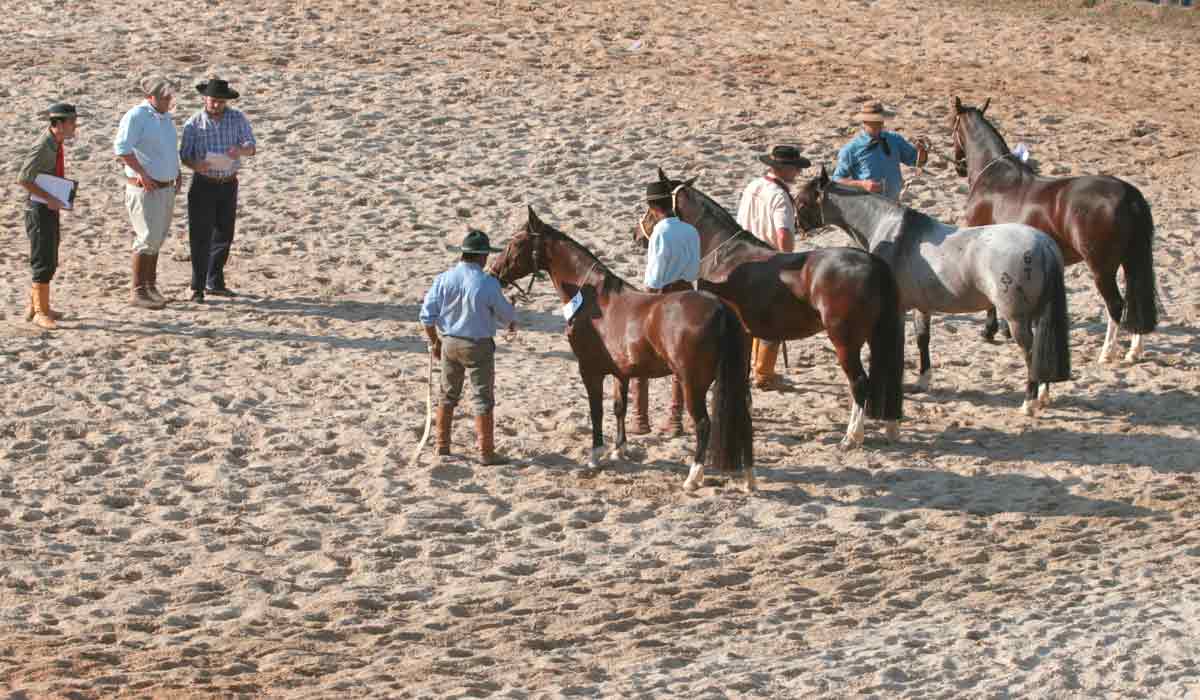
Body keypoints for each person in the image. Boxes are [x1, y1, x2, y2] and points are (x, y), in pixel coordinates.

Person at [420, 229, 517, 465]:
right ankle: (485, 452)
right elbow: (508, 319)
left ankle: (442, 445)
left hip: (449, 343)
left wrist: (435, 342)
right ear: (482, 257)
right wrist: (511, 307)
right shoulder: (488, 283)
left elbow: (426, 317)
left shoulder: (444, 278)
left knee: (447, 395)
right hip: (478, 346)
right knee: (482, 398)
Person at [735, 144, 811, 390]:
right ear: (785, 169)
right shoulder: (779, 196)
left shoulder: (752, 186)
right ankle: (764, 373)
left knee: (749, 319)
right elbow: (783, 235)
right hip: (767, 261)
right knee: (772, 320)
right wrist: (788, 260)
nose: (798, 174)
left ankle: (754, 368)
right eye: (795, 169)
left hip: (742, 259)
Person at [630, 180, 702, 436]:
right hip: (687, 292)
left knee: (637, 355)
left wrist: (646, 295)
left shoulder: (660, 231)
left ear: (652, 207)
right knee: (682, 363)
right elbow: (695, 270)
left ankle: (640, 418)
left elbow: (655, 275)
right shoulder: (691, 230)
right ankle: (675, 418)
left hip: (662, 295)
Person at [179, 77, 257, 303]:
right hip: (203, 183)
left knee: (225, 234)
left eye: (221, 102)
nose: (216, 105)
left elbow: (251, 147)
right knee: (200, 236)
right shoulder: (193, 123)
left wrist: (240, 151)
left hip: (228, 182)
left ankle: (215, 281)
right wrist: (196, 165)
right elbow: (184, 155)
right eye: (213, 101)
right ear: (205, 99)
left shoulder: (237, 118)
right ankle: (197, 286)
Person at [114, 77, 182, 310]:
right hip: (145, 188)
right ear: (150, 97)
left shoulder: (165, 118)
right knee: (146, 236)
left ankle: (150, 285)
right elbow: (122, 149)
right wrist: (141, 172)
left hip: (166, 186)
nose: (168, 100)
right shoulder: (136, 116)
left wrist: (176, 171)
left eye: (169, 97)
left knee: (157, 237)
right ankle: (138, 289)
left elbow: (168, 149)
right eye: (164, 97)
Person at [17, 103, 80, 330]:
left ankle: (37, 305)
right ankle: (40, 312)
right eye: (72, 122)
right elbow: (23, 178)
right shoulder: (44, 146)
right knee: (42, 258)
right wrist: (50, 198)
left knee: (49, 255)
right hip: (39, 208)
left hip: (48, 206)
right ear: (59, 124)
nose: (75, 126)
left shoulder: (56, 143)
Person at [832, 101, 928, 201]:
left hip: (895, 202)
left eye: (880, 120)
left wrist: (922, 150)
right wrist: (862, 184)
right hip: (869, 205)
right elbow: (836, 180)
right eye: (874, 121)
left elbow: (917, 162)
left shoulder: (895, 139)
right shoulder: (851, 149)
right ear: (864, 122)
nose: (879, 124)